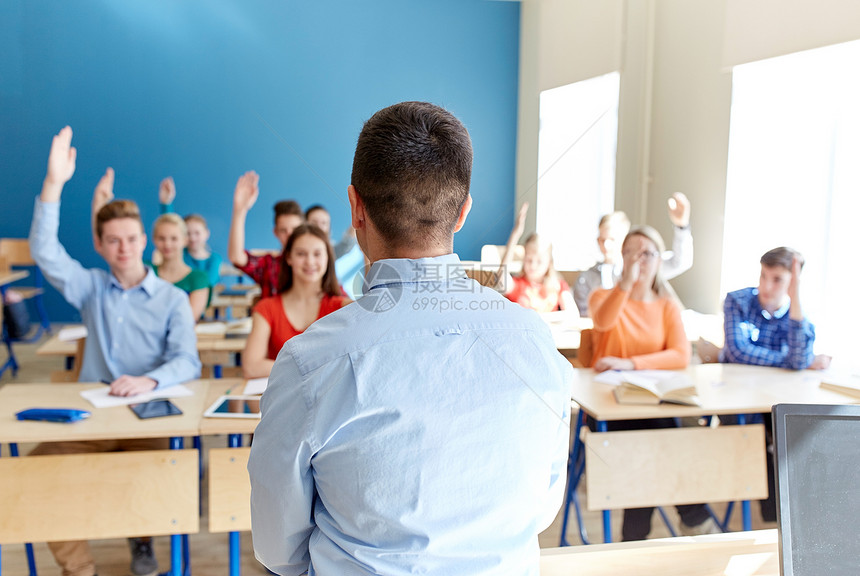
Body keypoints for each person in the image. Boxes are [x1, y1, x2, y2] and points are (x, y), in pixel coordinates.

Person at [248, 102, 572, 576]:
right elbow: (543, 507)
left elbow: (277, 547)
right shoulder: (535, 341)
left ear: (355, 209)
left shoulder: (310, 360)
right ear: (462, 213)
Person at [29, 126, 201, 576]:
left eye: (131, 238)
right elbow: (44, 251)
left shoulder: (171, 298)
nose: (123, 248)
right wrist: (54, 184)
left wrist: (149, 380)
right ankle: (79, 567)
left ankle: (143, 540)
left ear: (144, 240)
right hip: (94, 416)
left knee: (162, 473)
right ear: (100, 245)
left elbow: (188, 360)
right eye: (113, 241)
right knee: (34, 472)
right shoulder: (90, 288)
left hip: (150, 413)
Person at [589, 225, 717, 540]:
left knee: (660, 441)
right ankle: (694, 516)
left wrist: (630, 363)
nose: (639, 259)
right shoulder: (602, 296)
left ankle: (634, 537)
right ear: (622, 257)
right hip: (609, 408)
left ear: (659, 260)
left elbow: (679, 354)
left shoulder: (666, 305)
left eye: (647, 253)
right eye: (632, 251)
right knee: (655, 441)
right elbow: (603, 321)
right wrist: (626, 284)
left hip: (653, 405)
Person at [699, 247, 830, 522]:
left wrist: (797, 356)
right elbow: (738, 352)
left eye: (778, 280)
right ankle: (769, 519)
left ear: (793, 283)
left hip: (776, 399)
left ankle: (784, 520)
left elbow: (798, 359)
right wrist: (795, 361)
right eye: (763, 276)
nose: (766, 286)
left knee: (793, 436)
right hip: (736, 398)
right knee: (756, 437)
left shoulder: (799, 312)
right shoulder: (738, 301)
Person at [242, 224, 350, 379]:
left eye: (317, 254)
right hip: (281, 401)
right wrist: (317, 367)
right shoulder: (266, 309)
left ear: (328, 258)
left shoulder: (343, 308)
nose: (310, 262)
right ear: (288, 258)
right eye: (301, 254)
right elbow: (252, 367)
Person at [574, 192, 694, 317]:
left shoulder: (644, 267)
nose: (606, 246)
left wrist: (682, 226)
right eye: (602, 240)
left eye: (612, 240)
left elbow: (680, 262)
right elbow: (584, 317)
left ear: (625, 240)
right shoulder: (587, 278)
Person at [227, 170, 303, 298]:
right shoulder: (269, 266)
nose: (290, 235)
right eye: (283, 230)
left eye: (294, 229)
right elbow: (236, 257)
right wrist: (240, 210)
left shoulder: (315, 265)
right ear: (275, 232)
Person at [496, 202, 575, 313]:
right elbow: (501, 276)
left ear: (549, 263)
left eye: (539, 261)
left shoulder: (558, 285)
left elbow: (572, 314)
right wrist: (515, 235)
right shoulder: (517, 285)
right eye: (529, 259)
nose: (533, 265)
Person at [157, 176, 223, 287]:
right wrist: (166, 203)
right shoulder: (180, 255)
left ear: (206, 233)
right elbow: (169, 228)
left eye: (197, 233)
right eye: (188, 233)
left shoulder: (214, 259)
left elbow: (208, 283)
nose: (192, 238)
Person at [150, 213, 211, 320]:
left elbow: (187, 320)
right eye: (161, 238)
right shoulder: (147, 272)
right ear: (154, 240)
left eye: (174, 239)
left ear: (185, 240)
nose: (167, 244)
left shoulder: (198, 278)